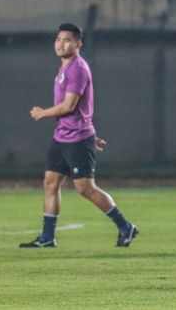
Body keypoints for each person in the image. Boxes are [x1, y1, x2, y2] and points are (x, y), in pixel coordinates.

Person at [20, 23, 138, 248]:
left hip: (77, 139)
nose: (60, 44)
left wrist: (42, 113)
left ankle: (125, 226)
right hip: (62, 137)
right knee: (50, 183)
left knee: (85, 188)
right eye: (58, 39)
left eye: (66, 40)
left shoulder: (78, 68)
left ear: (78, 44)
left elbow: (69, 105)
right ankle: (47, 237)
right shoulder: (64, 67)